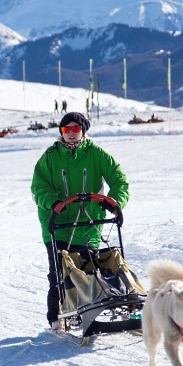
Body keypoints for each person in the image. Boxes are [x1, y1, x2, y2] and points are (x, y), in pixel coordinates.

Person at [30, 112, 129, 330]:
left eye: (76, 129)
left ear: (83, 131)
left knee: (89, 268)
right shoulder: (50, 157)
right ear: (61, 133)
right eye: (67, 130)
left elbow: (119, 179)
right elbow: (39, 187)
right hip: (58, 225)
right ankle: (55, 316)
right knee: (59, 272)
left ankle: (92, 309)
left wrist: (114, 201)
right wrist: (53, 202)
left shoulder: (97, 155)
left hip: (89, 224)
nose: (71, 134)